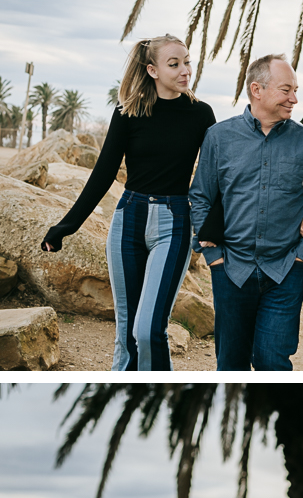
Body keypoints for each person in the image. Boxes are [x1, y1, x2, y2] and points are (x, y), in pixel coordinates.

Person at [41, 36, 216, 372]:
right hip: (128, 219)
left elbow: (218, 174)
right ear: (152, 69)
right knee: (127, 332)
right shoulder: (128, 112)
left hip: (175, 221)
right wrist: (66, 226)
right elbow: (103, 173)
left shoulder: (201, 114)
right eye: (174, 64)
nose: (185, 71)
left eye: (187, 62)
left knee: (149, 330)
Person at [189, 54, 303, 371]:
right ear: (257, 89)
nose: (294, 98)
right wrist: (213, 257)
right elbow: (200, 196)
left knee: (273, 362)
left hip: (285, 271)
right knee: (230, 364)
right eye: (286, 90)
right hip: (231, 271)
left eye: (295, 90)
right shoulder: (218, 137)